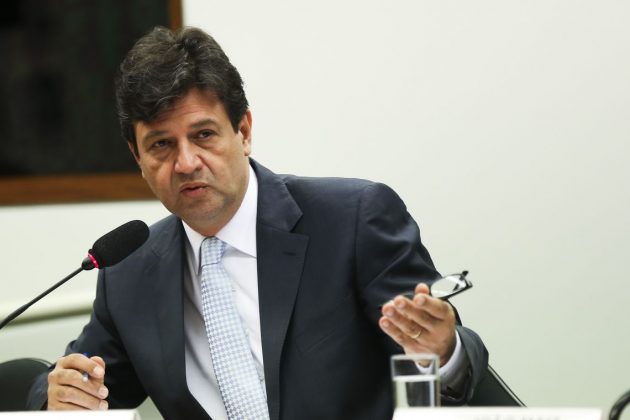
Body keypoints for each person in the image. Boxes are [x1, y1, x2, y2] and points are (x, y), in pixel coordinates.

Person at [27, 26, 488, 419]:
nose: (186, 163)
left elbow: (448, 368)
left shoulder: (353, 220)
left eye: (203, 135)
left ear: (243, 131)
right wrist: (58, 396)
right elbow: (82, 385)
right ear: (137, 157)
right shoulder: (128, 271)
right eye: (161, 145)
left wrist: (442, 351)